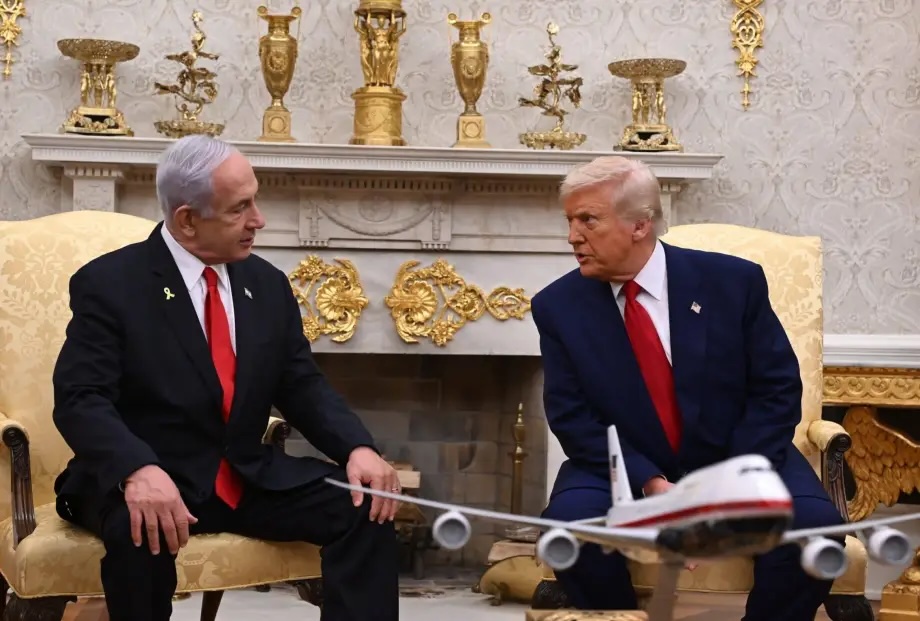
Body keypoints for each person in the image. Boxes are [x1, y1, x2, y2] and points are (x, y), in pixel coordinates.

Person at [51, 135, 401, 621]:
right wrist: (137, 469)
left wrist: (357, 448)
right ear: (187, 220)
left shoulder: (267, 284)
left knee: (366, 506)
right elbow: (80, 397)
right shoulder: (111, 284)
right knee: (141, 528)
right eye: (240, 208)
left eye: (254, 201)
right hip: (147, 476)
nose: (259, 219)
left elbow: (301, 383)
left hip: (243, 476)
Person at [532, 156, 844, 620]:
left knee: (814, 530)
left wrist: (723, 489)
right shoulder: (558, 306)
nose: (573, 236)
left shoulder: (733, 282)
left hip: (738, 455)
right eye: (570, 221)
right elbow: (571, 416)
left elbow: (776, 390)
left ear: (640, 225)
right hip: (623, 464)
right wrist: (652, 485)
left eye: (588, 220)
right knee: (570, 529)